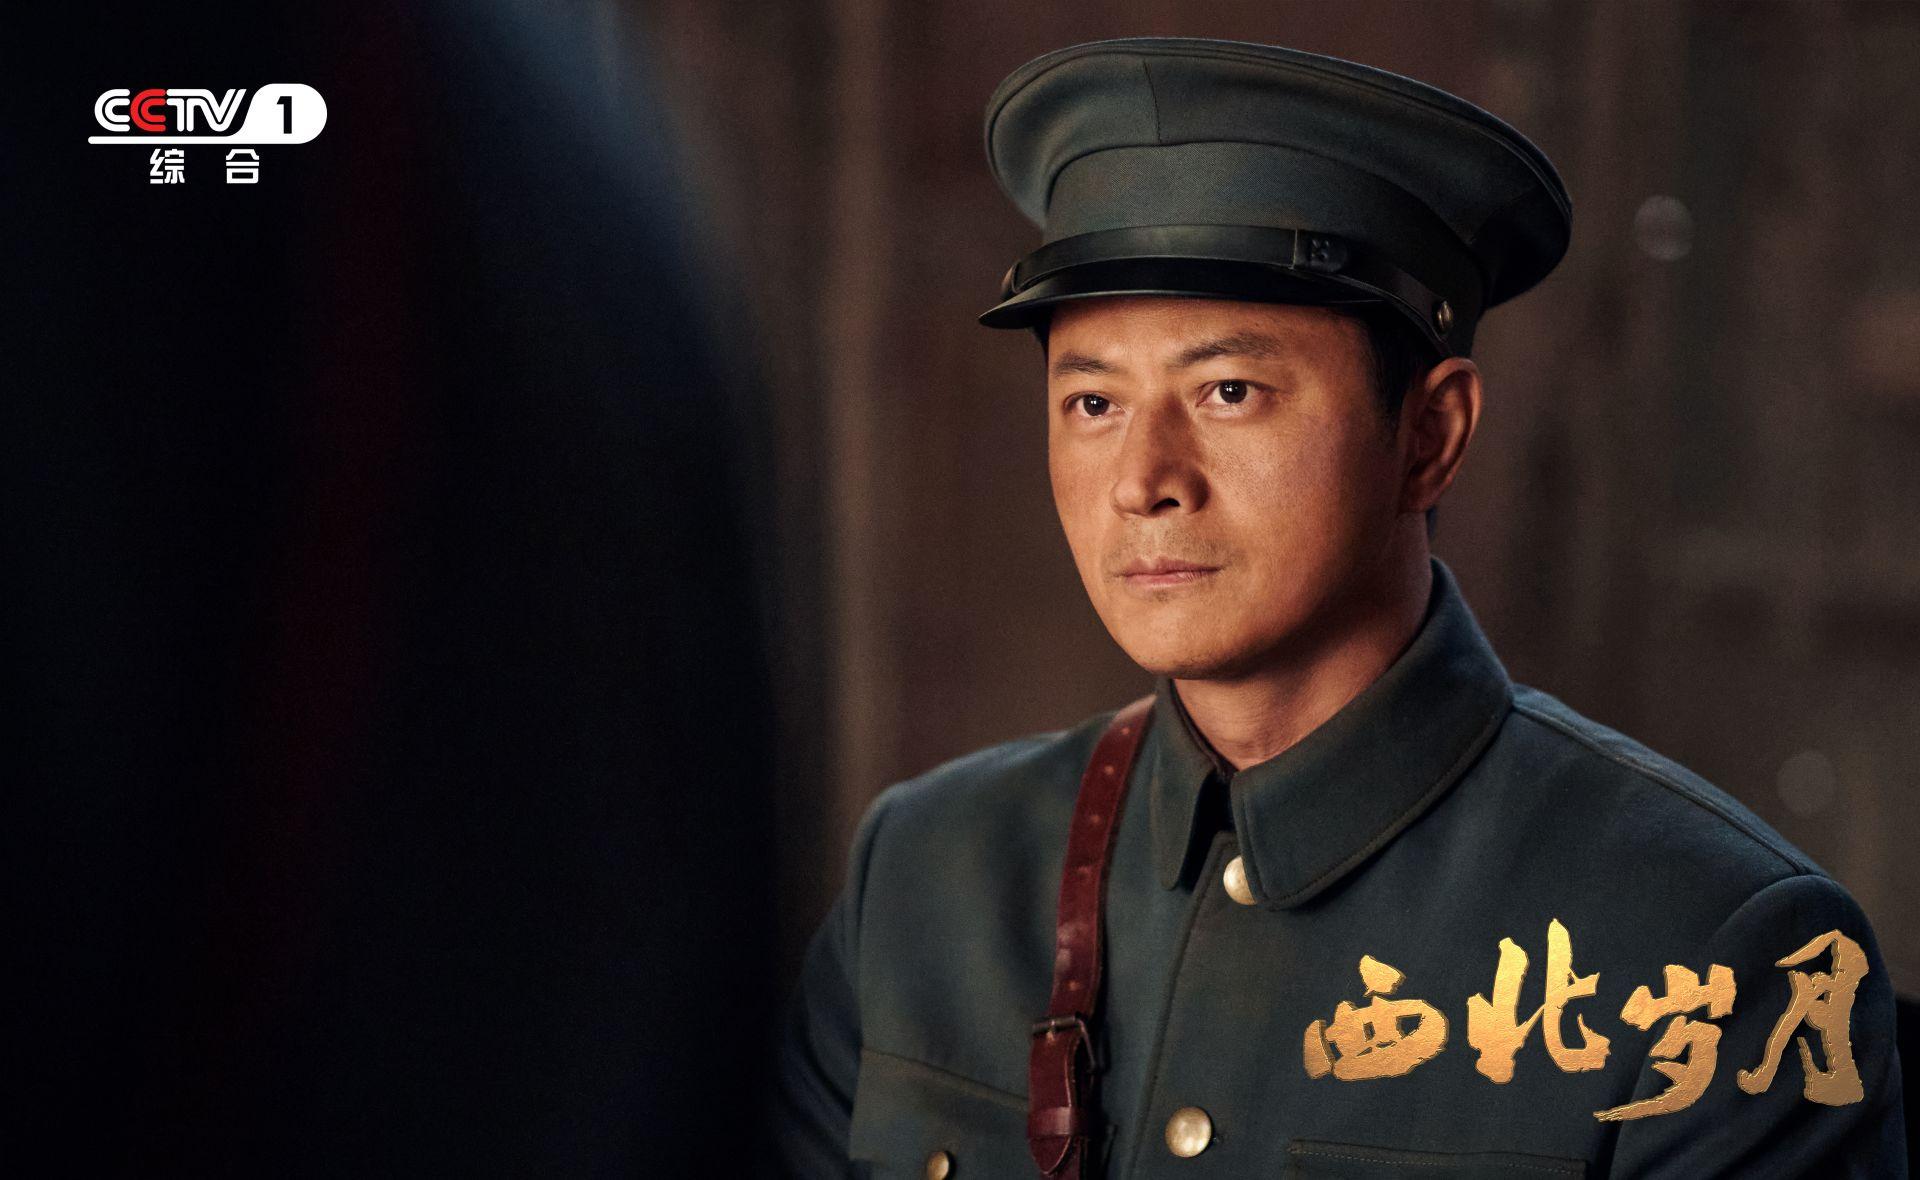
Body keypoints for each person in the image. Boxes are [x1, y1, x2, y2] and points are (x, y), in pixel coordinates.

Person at [773, 36, 1906, 1178]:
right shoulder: (925, 882)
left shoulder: (1718, 958)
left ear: (1430, 437)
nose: (1143, 480)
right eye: (1093, 403)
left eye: (1229, 390)